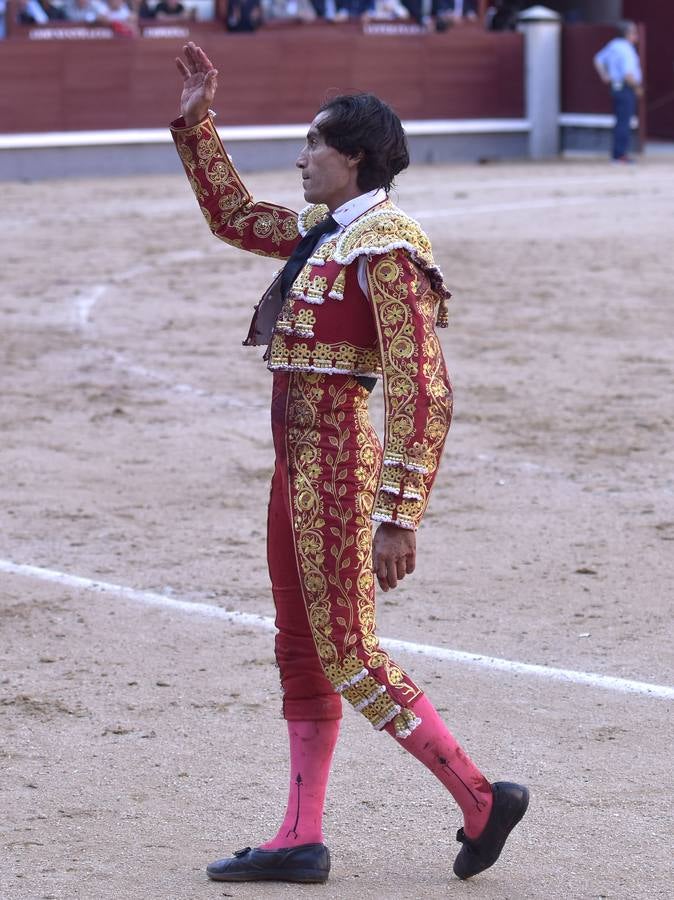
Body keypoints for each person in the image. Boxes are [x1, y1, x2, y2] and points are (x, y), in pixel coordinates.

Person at [170, 40, 529, 885]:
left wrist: (399, 515)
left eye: (314, 145)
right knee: (300, 649)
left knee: (350, 654)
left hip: (337, 467)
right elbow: (236, 219)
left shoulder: (388, 247)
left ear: (355, 156)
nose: (301, 158)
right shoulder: (330, 233)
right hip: (293, 472)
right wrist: (196, 126)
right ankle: (300, 837)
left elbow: (423, 391)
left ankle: (482, 798)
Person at [594, 20, 643, 163]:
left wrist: (605, 75)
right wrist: (637, 88)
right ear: (627, 34)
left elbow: (597, 59)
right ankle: (620, 155)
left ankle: (617, 154)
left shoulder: (613, 45)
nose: (636, 36)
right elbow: (628, 74)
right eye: (634, 32)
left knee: (620, 121)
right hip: (626, 88)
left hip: (616, 87)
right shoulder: (626, 49)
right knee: (624, 122)